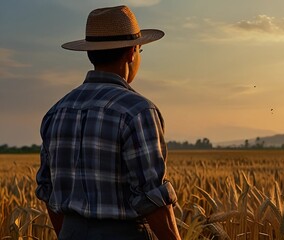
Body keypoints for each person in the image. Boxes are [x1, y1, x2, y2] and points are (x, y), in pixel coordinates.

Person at [35, 5, 181, 240]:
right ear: (132, 52)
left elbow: (47, 190)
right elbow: (152, 198)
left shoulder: (56, 112)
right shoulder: (137, 111)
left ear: (90, 53)